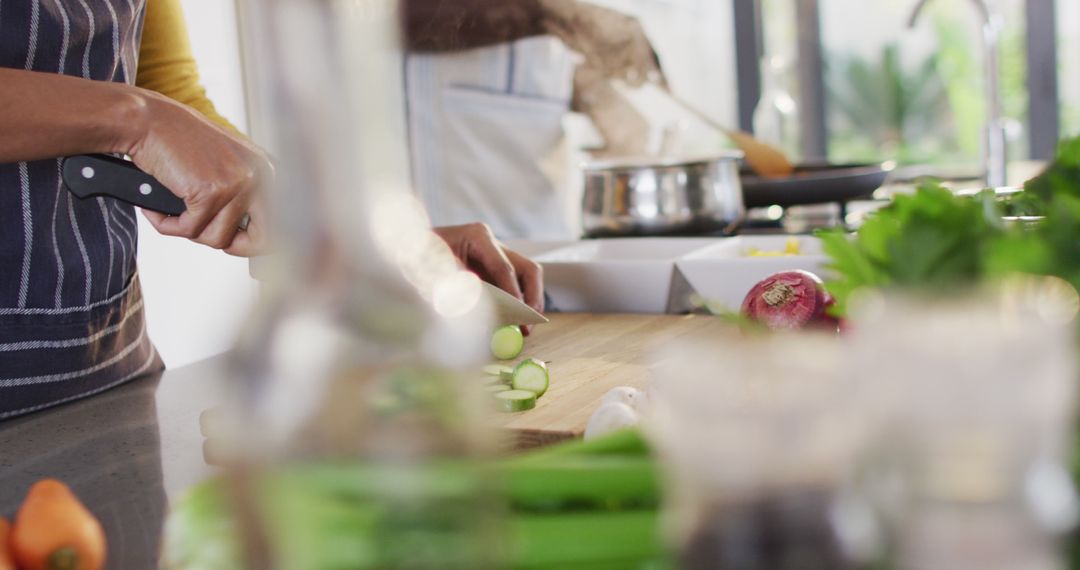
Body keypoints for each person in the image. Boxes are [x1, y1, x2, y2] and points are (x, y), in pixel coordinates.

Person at [0, 0, 541, 420]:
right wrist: (135, 118)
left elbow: (168, 89)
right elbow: (148, 109)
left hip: (106, 364)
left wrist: (364, 238)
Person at [402, 0, 666, 240]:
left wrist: (586, 88)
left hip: (537, 227)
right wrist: (556, 14)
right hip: (444, 231)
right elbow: (379, 16)